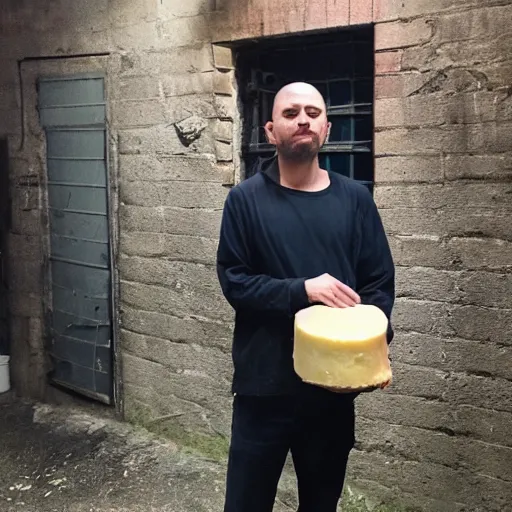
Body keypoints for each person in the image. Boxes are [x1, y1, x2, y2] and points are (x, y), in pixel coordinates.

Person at [216, 82, 395, 512]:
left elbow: (378, 286)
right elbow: (235, 282)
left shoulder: (355, 200)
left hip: (330, 394)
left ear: (327, 129)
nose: (303, 120)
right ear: (270, 130)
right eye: (292, 112)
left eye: (313, 113)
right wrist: (303, 290)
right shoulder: (244, 201)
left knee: (320, 505)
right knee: (245, 505)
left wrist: (369, 346)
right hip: (264, 389)